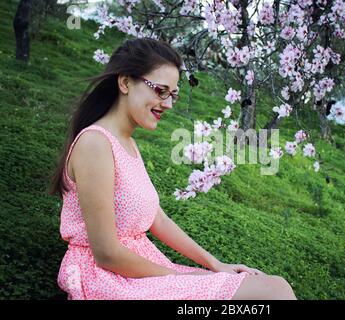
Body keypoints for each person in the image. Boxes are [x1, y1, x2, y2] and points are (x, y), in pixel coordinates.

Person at [48, 38, 297, 300]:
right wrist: (181, 277)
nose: (167, 104)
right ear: (124, 83)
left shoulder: (127, 143)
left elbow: (158, 218)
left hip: (140, 270)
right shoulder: (95, 144)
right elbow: (106, 253)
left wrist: (214, 265)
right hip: (109, 279)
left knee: (277, 285)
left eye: (172, 94)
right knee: (270, 294)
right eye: (160, 90)